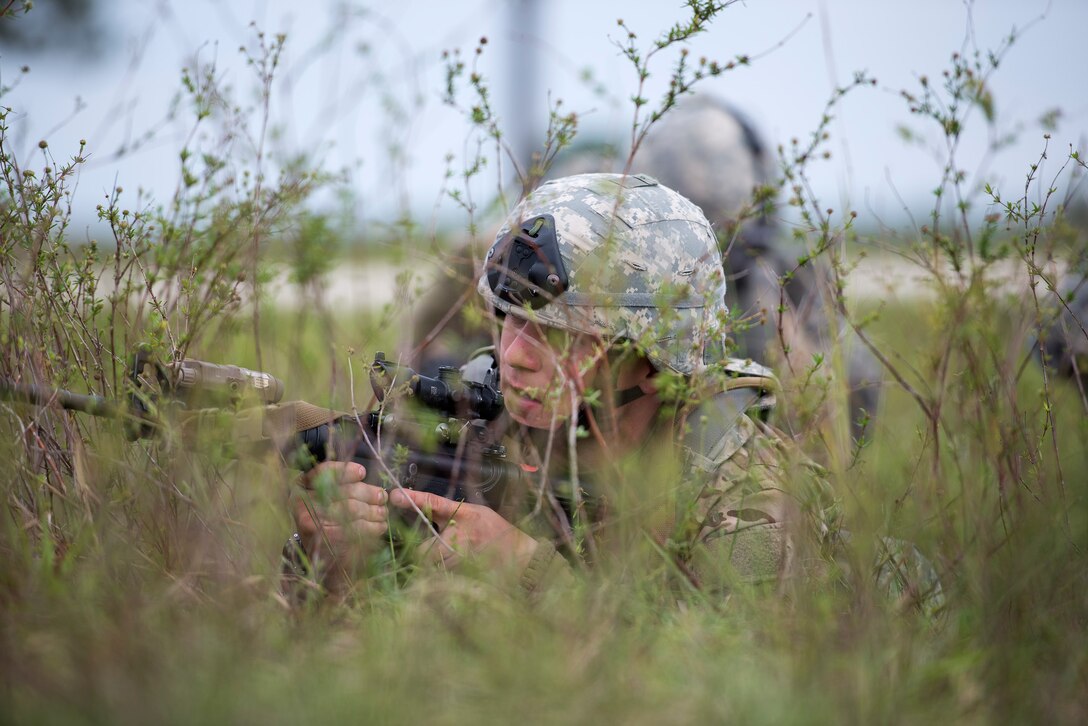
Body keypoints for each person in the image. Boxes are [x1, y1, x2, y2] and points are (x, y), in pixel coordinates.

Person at [295, 173, 836, 598]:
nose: (513, 356)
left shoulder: (739, 483)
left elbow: (727, 678)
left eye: (559, 334)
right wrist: (334, 564)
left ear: (653, 362)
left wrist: (532, 576)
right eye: (508, 318)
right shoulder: (475, 424)